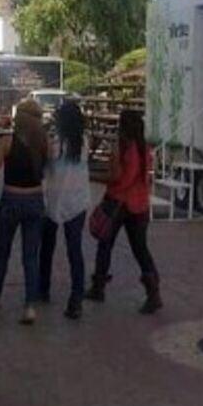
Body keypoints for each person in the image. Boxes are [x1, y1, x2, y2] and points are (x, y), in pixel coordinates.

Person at [85, 109, 162, 314]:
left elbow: (116, 177)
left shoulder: (121, 147)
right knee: (140, 249)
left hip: (118, 202)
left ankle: (98, 286)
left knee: (105, 244)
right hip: (139, 205)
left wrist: (92, 176)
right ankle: (153, 291)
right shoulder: (144, 148)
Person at [0, 99, 49, 325]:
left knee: (2, 251)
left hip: (11, 199)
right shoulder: (44, 144)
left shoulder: (6, 142)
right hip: (36, 199)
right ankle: (30, 305)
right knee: (31, 256)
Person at [39, 101, 91, 320]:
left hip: (53, 201)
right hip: (78, 202)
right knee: (74, 251)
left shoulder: (55, 143)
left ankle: (43, 289)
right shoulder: (84, 142)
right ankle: (76, 297)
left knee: (47, 249)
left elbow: (44, 165)